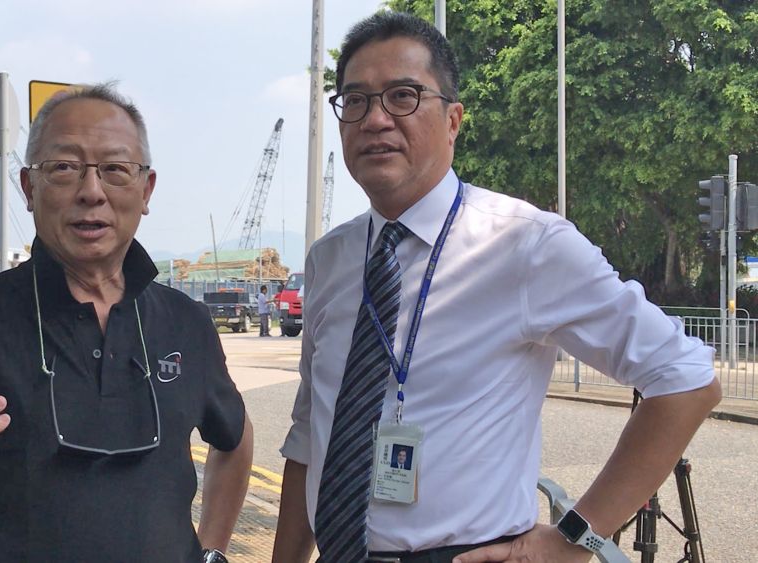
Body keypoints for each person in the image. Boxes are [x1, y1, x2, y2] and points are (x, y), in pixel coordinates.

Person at [272, 11, 721, 563]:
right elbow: (311, 433)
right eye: (356, 100)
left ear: (453, 120)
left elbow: (685, 379)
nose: (376, 119)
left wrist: (576, 538)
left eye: (403, 96)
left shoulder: (525, 244)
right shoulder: (329, 260)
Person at [0, 83, 254, 562]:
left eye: (115, 169)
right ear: (29, 188)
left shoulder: (186, 322)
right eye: (64, 168)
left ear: (146, 190)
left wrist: (212, 551)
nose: (91, 192)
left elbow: (235, 437)